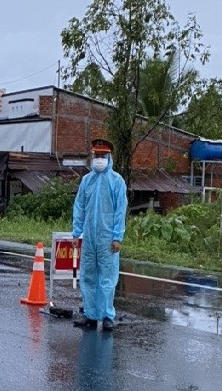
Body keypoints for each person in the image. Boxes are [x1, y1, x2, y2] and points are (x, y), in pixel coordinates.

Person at [71, 138, 127, 331]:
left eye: (103, 155)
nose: (99, 159)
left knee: (107, 278)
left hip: (107, 239)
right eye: (97, 155)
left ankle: (107, 315)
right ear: (92, 156)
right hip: (89, 237)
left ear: (109, 157)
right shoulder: (87, 180)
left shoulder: (117, 181)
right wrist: (76, 232)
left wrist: (117, 237)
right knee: (88, 276)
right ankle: (90, 314)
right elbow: (79, 207)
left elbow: (121, 210)